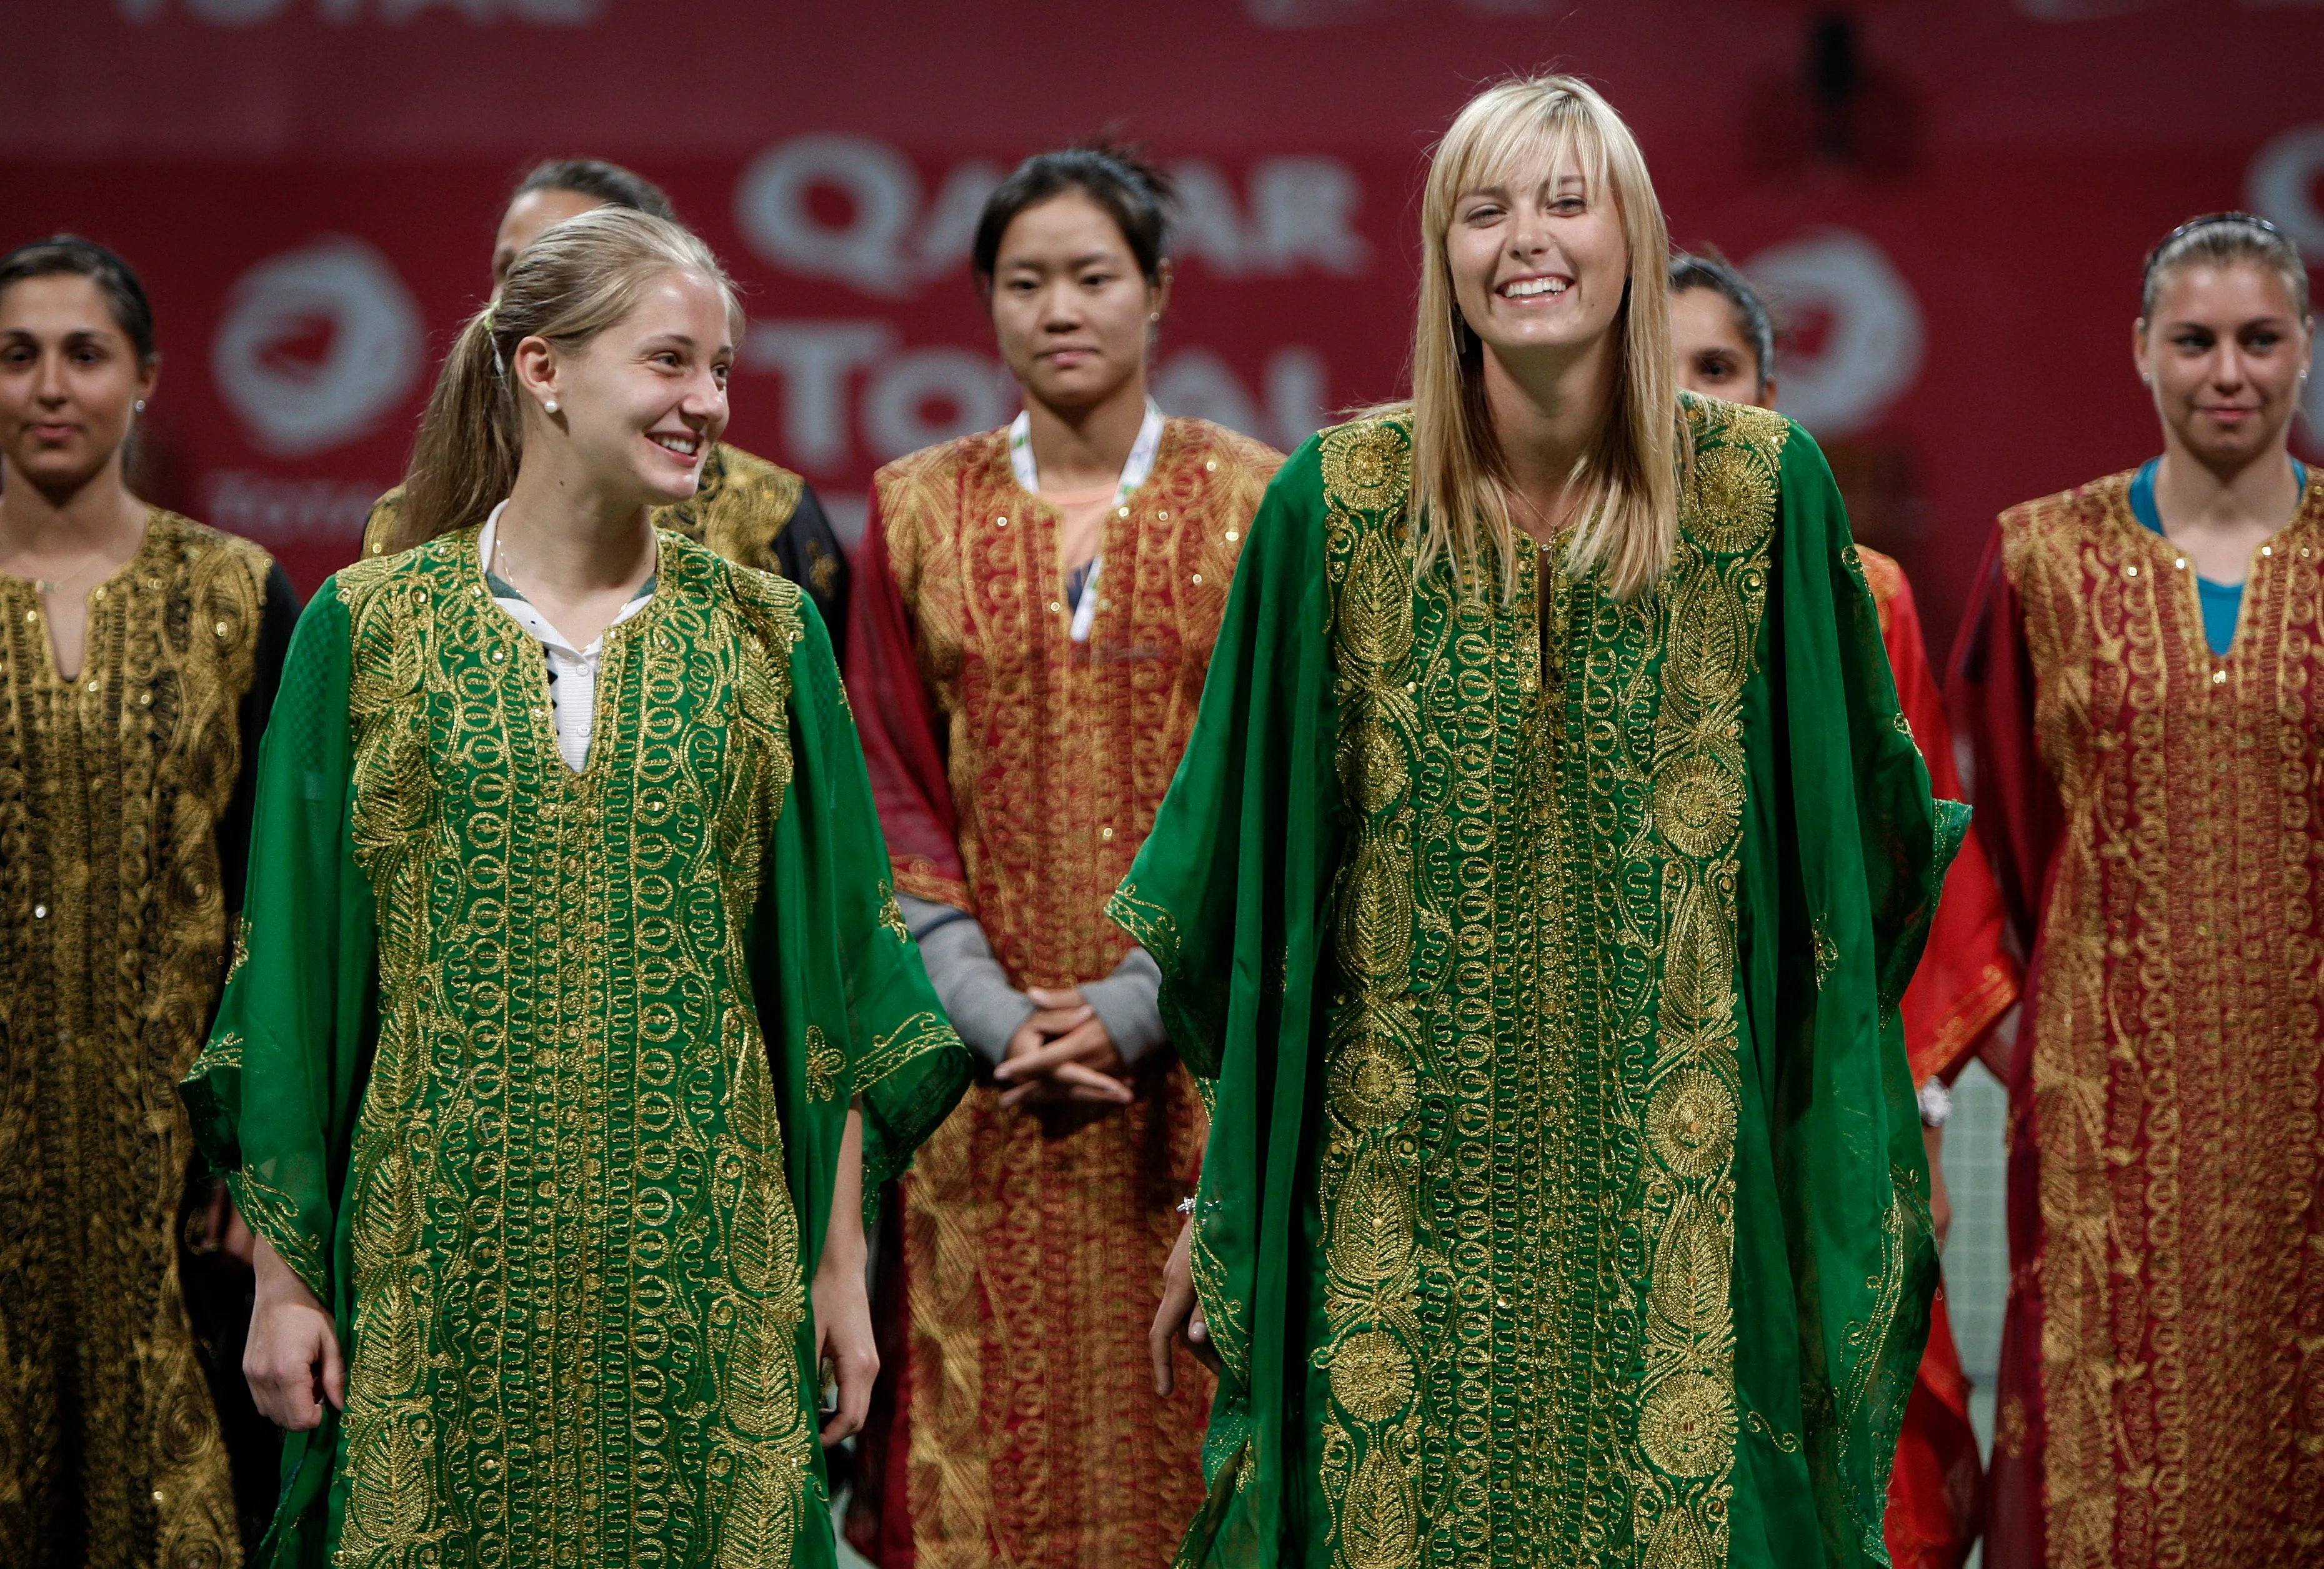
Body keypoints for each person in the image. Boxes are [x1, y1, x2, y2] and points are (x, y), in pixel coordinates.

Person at [1125, 76, 1953, 1568]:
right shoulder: (1335, 503)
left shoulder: (1764, 496)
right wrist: (1231, 1190)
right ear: (1441, 251)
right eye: (1484, 208)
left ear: (1632, 236)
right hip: (1399, 1218)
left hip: (1680, 1214)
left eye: (1565, 200)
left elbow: (1861, 862)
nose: (1527, 240)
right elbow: (1247, 903)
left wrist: (1800, 1150)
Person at [177, 207, 971, 1566]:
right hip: (437, 1279)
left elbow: (834, 983)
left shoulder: (764, 634)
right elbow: (294, 978)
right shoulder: (368, 627)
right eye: (669, 363)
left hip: (700, 1284)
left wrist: (838, 1270)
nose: (705, 403)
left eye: (719, 371)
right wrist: (285, 1284)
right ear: (540, 368)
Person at [841, 145, 1281, 1567]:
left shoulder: (1262, 505)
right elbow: (889, 779)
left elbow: (1276, 789)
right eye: (1024, 281)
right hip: (983, 1096)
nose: (1060, 308)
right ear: (985, 304)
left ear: (1156, 290)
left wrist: (1140, 998)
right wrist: (989, 1009)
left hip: (1197, 1089)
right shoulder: (913, 512)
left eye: (1093, 275)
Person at [1951, 212, 2322, 1568]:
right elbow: (1985, 828)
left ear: (2300, 349)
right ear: (2139, 353)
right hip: (2107, 1127)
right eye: (2194, 340)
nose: (2226, 371)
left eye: (2257, 338)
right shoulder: (2039, 562)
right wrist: (2032, 1038)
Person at [1672, 249, 2016, 1569]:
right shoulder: (1560, 594)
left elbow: (1910, 883)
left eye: (1718, 372)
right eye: (1662, 375)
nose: (1690, 405)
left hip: (1815, 1104)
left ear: (1771, 392)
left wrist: (1910, 1116)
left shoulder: (1858, 594)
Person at [0, 235, 299, 1564]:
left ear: (146, 379)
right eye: (15, 356)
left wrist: (267, 1154)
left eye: (83, 353)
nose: (48, 386)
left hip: (188, 1175)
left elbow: (283, 894)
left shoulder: (236, 595)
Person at [361, 157, 853, 655]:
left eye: (720, 370)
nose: (524, 292)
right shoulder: (394, 545)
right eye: (512, 268)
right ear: (543, 367)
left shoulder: (769, 528)